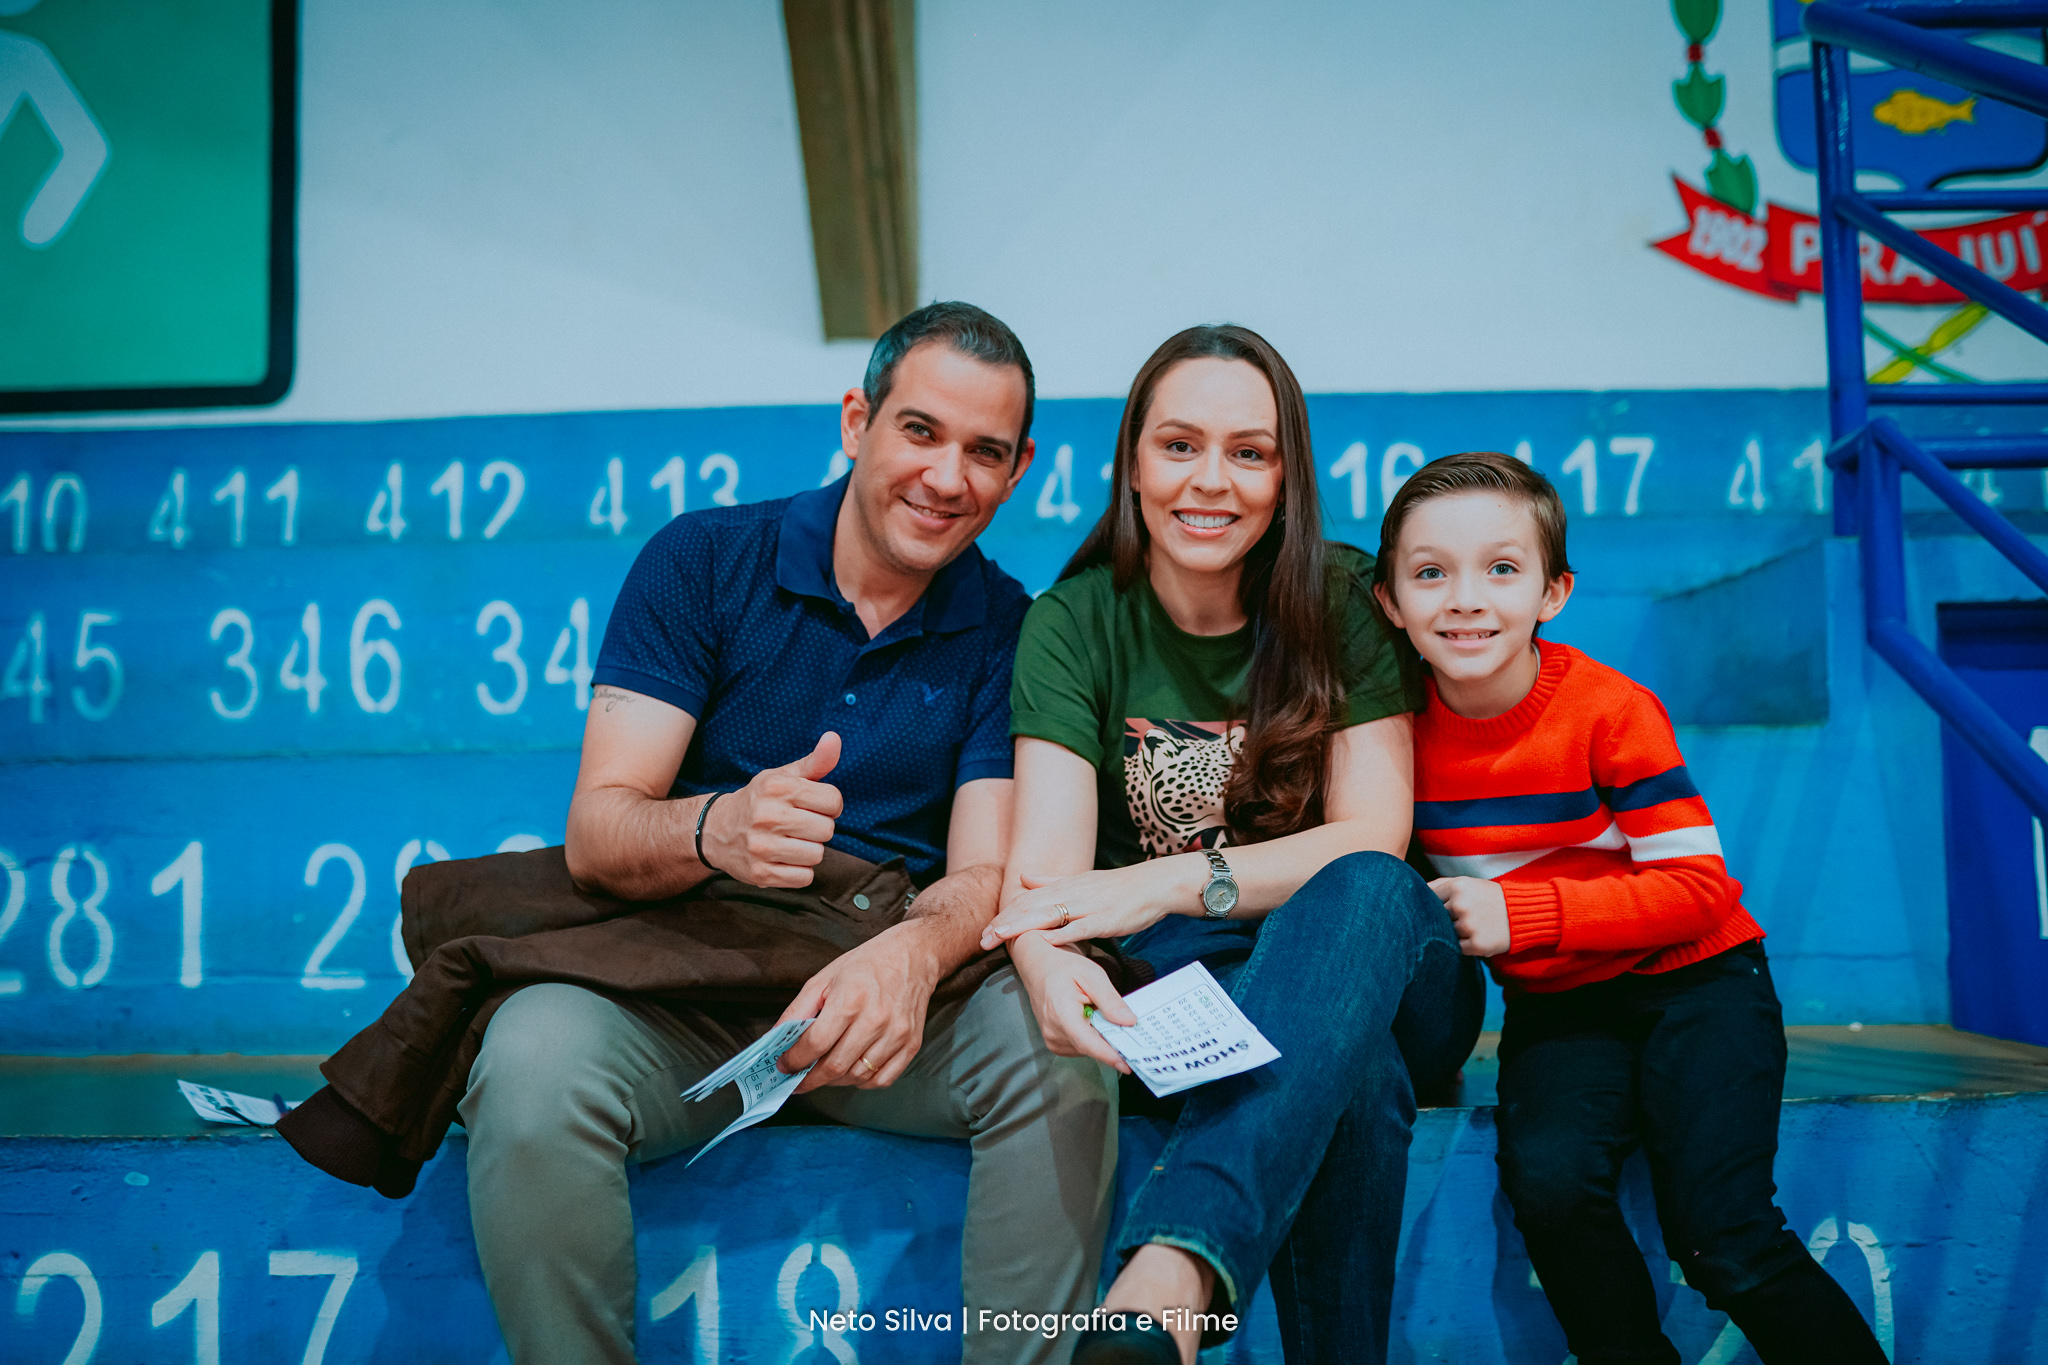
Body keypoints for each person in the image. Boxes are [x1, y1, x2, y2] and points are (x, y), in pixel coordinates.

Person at [460, 302, 1118, 1365]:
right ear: (857, 420)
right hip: (683, 993)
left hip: (893, 1021)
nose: (946, 477)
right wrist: (717, 826)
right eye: (920, 431)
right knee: (532, 1058)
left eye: (984, 452)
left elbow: (986, 868)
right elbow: (598, 829)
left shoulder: (1012, 625)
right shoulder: (702, 559)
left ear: (1019, 470)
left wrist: (911, 956)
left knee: (1061, 1053)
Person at [980, 324, 1483, 1365]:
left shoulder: (1343, 598)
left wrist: (1165, 879)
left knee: (1365, 884)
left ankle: (1174, 1262)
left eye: (1249, 452)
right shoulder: (1072, 621)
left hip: (1388, 962)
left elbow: (1373, 835)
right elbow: (1048, 879)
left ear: (1286, 477)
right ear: (1130, 463)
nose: (1211, 480)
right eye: (1179, 445)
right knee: (1354, 1073)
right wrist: (1041, 956)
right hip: (1191, 994)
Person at [1372, 450, 1889, 1365]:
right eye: (1430, 573)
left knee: (1722, 1234)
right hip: (1562, 1007)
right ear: (1389, 601)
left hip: (1700, 982)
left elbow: (1699, 889)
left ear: (1553, 592)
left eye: (1502, 568)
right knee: (1549, 1187)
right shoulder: (1391, 737)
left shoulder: (1609, 710)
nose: (1465, 599)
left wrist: (1524, 915)